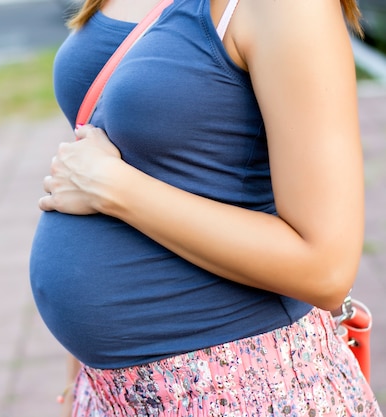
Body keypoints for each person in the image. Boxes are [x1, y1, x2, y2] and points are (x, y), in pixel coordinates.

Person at [29, 0, 384, 415]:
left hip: (240, 387)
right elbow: (99, 148)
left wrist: (115, 189)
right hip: (109, 393)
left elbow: (326, 269)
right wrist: (81, 378)